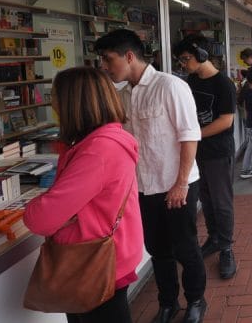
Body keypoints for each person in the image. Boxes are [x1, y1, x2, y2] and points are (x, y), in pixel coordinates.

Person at [95, 30, 206, 323]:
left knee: (186, 247)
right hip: (143, 188)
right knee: (158, 250)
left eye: (109, 59)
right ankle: (168, 302)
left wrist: (181, 183)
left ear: (129, 56)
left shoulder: (170, 86)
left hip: (176, 184)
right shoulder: (123, 95)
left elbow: (189, 136)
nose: (105, 67)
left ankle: (196, 300)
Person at [23, 67, 143, 323]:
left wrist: (36, 205)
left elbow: (40, 219)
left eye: (54, 97)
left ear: (72, 103)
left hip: (94, 263)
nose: (52, 104)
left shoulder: (97, 151)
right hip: (102, 257)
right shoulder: (102, 141)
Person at [174, 35, 238, 281]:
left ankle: (226, 247)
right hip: (197, 152)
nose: (183, 64)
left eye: (186, 59)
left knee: (222, 202)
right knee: (206, 200)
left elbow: (225, 120)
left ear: (201, 54)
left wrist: (193, 136)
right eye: (180, 60)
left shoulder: (223, 84)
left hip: (218, 152)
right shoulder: (190, 81)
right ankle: (214, 237)